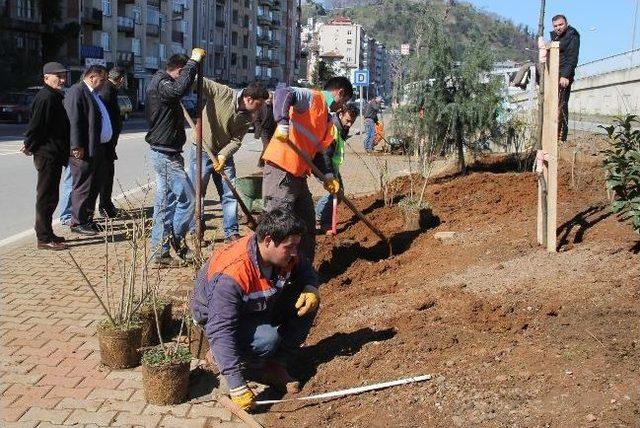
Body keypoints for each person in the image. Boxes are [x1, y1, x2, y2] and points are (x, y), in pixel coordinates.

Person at [191, 208, 320, 411]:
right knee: (266, 340)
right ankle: (226, 359)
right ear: (268, 240)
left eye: (297, 246)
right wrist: (236, 385)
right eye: (290, 247)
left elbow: (305, 269)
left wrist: (311, 286)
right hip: (220, 318)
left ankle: (275, 365)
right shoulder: (232, 274)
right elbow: (221, 329)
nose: (295, 252)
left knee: (308, 301)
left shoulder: (284, 254)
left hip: (258, 304)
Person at [262, 76, 354, 262]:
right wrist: (282, 123)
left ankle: (305, 276)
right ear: (340, 93)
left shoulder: (327, 120)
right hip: (281, 170)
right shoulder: (313, 97)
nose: (342, 107)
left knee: (307, 226)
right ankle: (272, 277)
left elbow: (320, 153)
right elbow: (283, 92)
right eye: (344, 102)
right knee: (279, 226)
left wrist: (328, 176)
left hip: (298, 175)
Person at [188, 81, 269, 243]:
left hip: (224, 155)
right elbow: (198, 81)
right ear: (248, 99)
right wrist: (189, 70)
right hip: (201, 150)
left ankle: (231, 232)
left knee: (229, 194)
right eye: (259, 105)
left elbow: (236, 140)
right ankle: (196, 230)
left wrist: (224, 155)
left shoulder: (248, 117)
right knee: (197, 193)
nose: (260, 109)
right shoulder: (223, 93)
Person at [145, 49, 205, 265]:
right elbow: (179, 89)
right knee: (189, 199)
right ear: (179, 71)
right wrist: (194, 63)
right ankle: (175, 241)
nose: (188, 82)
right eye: (186, 75)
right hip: (164, 155)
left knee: (163, 204)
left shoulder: (162, 83)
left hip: (168, 151)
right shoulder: (162, 84)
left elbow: (180, 89)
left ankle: (159, 252)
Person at [22, 62, 70, 250]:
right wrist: (29, 145)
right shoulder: (46, 97)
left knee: (51, 196)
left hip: (54, 153)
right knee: (46, 196)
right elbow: (36, 126)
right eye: (58, 76)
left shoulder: (54, 96)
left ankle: (48, 232)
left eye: (64, 76)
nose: (63, 80)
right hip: (47, 154)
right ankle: (43, 237)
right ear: (46, 78)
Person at [64, 65, 112, 236]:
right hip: (83, 150)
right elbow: (73, 120)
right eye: (103, 79)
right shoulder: (76, 91)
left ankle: (87, 219)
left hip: (96, 148)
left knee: (94, 186)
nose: (104, 82)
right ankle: (77, 221)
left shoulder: (93, 94)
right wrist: (76, 146)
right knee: (83, 186)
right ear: (92, 77)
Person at [315, 103, 358, 234]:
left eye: (352, 122)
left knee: (339, 193)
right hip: (323, 166)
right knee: (335, 193)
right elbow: (325, 154)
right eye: (348, 121)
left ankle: (318, 213)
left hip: (332, 166)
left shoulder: (341, 127)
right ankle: (323, 220)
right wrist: (328, 175)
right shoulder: (333, 129)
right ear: (340, 115)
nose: (350, 124)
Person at [97, 66, 126, 218]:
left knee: (107, 174)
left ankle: (106, 205)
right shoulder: (107, 92)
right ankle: (105, 207)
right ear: (121, 79)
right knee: (106, 176)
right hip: (106, 143)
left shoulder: (109, 90)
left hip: (108, 142)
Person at [550, 14, 580, 142]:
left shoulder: (572, 35)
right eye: (555, 26)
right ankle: (553, 135)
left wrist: (565, 75)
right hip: (554, 75)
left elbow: (572, 57)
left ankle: (561, 137)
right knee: (553, 105)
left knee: (561, 105)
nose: (558, 28)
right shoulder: (556, 37)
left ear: (566, 23)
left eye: (560, 24)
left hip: (563, 76)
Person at [253, 92, 276, 167]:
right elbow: (256, 119)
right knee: (267, 146)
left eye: (271, 98)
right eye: (268, 98)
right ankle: (261, 162)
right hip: (264, 130)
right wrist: (258, 128)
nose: (269, 100)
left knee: (271, 147)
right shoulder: (261, 107)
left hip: (272, 130)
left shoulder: (274, 107)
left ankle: (269, 161)